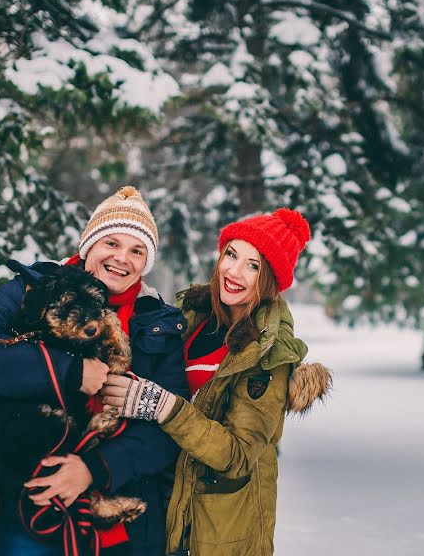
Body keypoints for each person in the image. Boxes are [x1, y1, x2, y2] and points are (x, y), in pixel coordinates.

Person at [0, 186, 188, 556]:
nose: (122, 258)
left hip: (121, 508)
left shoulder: (160, 322)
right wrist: (71, 372)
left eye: (137, 250)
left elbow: (168, 433)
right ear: (89, 245)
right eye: (111, 243)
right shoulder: (34, 288)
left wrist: (92, 469)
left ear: (146, 262)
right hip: (32, 494)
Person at [101, 208, 331, 555]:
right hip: (161, 506)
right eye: (231, 254)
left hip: (216, 531)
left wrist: (162, 406)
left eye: (253, 265)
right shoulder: (190, 315)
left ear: (269, 279)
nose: (234, 271)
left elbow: (237, 455)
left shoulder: (269, 355)